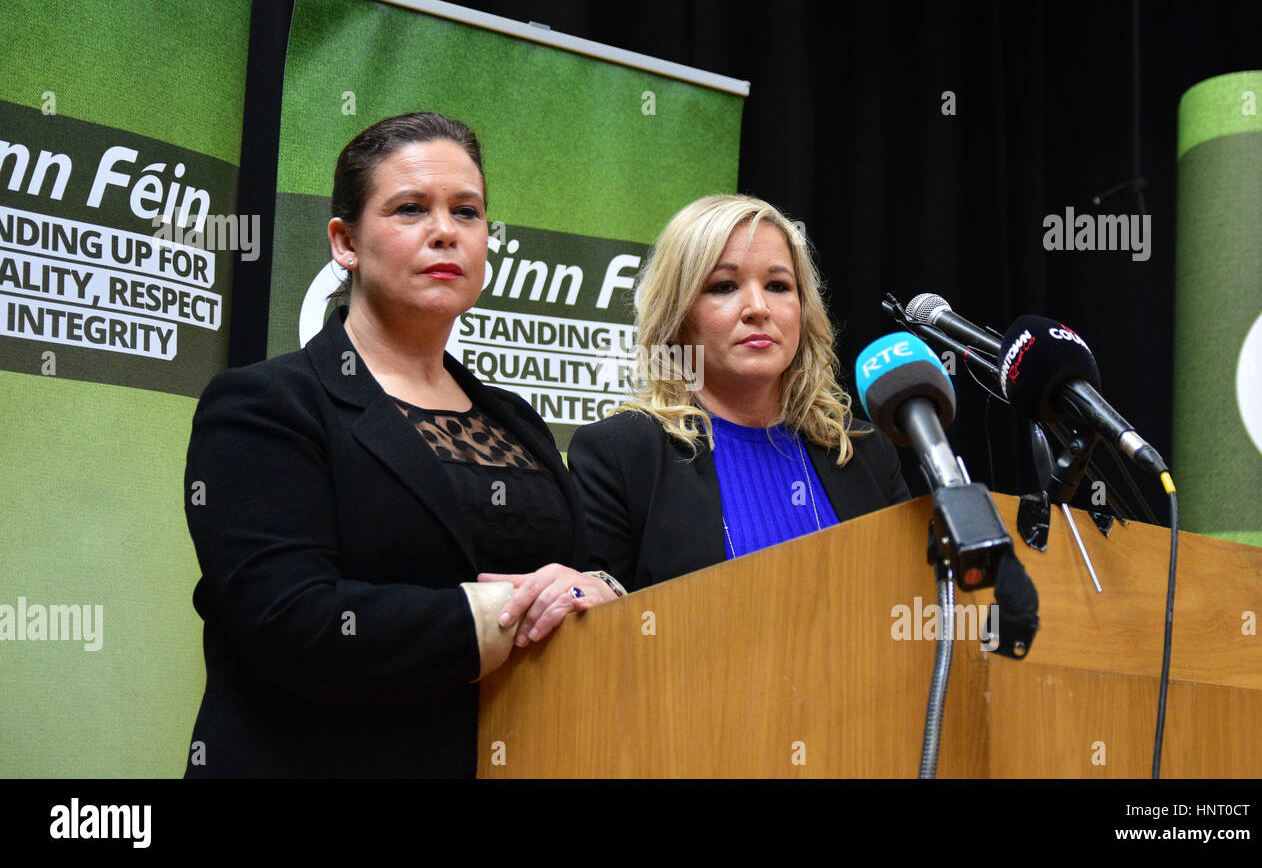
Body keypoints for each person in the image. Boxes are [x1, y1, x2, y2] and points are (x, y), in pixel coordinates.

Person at [182, 112, 623, 778]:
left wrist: (595, 594)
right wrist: (502, 614)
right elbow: (292, 622)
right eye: (411, 208)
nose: (445, 231)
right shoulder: (265, 406)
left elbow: (570, 581)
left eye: (467, 212)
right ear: (345, 242)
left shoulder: (518, 423)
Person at [567, 194, 911, 591]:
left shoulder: (862, 449)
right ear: (677, 318)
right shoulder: (619, 453)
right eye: (725, 286)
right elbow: (596, 632)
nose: (757, 308)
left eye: (778, 285)